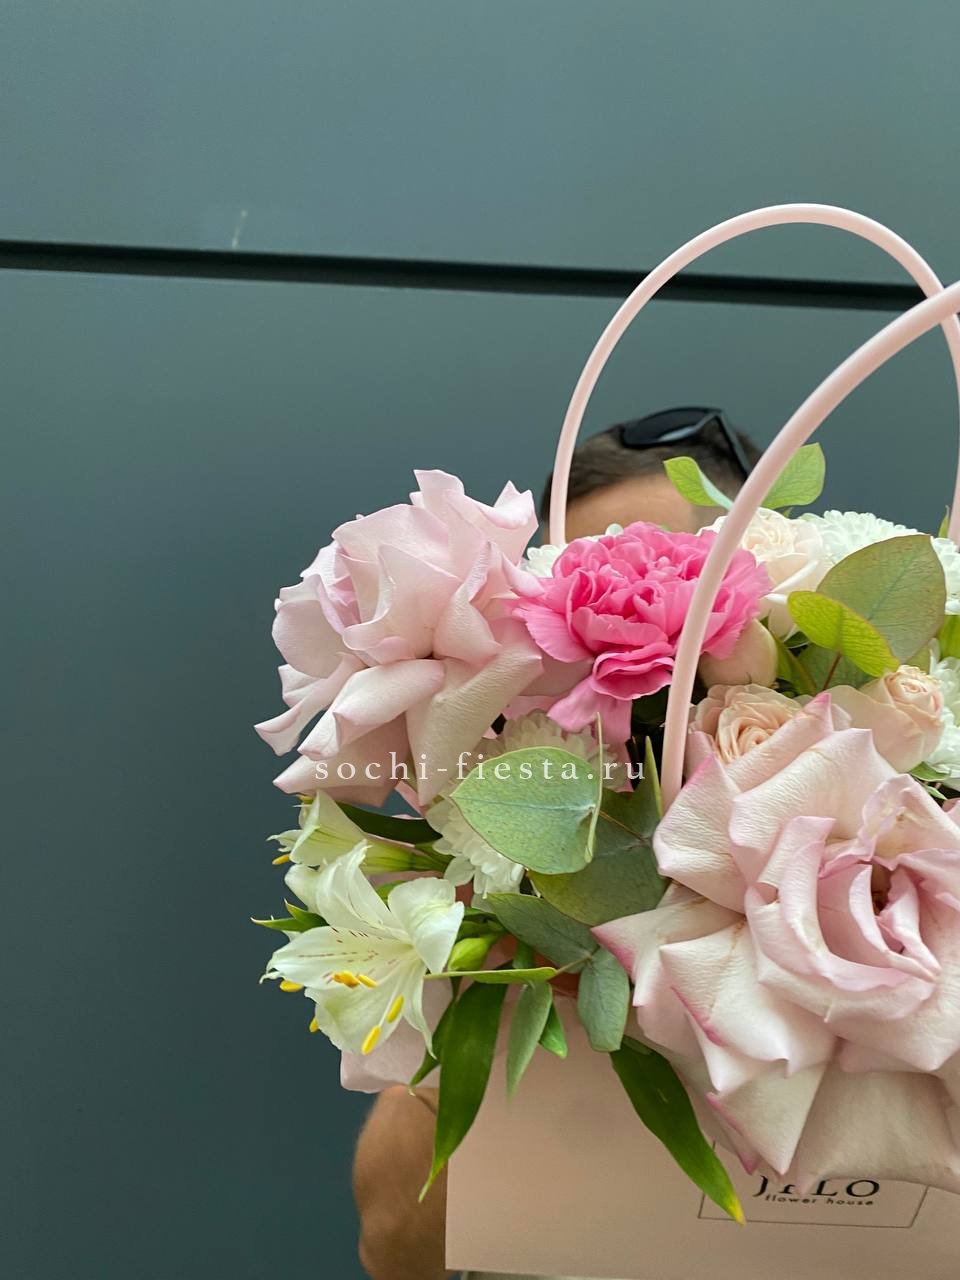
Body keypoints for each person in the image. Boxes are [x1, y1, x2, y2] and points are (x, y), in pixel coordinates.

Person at [352, 408, 763, 1280]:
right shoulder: (499, 833)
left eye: (676, 575)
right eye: (591, 602)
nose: (638, 613)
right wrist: (487, 993)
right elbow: (395, 1248)